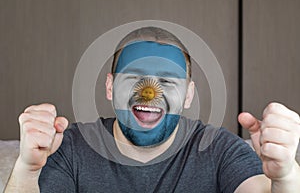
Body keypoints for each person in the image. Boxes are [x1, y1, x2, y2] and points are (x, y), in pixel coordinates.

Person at [5, 27, 300, 193]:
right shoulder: (71, 148)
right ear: (110, 87)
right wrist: (27, 170)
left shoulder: (220, 150)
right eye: (134, 77)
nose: (148, 92)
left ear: (188, 94)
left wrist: (285, 176)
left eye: (167, 81)